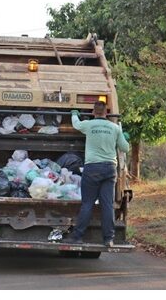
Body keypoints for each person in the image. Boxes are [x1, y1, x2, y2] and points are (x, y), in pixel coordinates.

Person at [65, 101, 129, 247]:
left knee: (87, 203)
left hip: (92, 168)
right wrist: (125, 137)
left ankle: (77, 237)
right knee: (107, 205)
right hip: (109, 169)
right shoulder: (114, 128)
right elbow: (125, 148)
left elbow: (76, 124)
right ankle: (108, 239)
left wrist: (74, 114)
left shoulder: (89, 125)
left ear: (94, 112)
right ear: (106, 113)